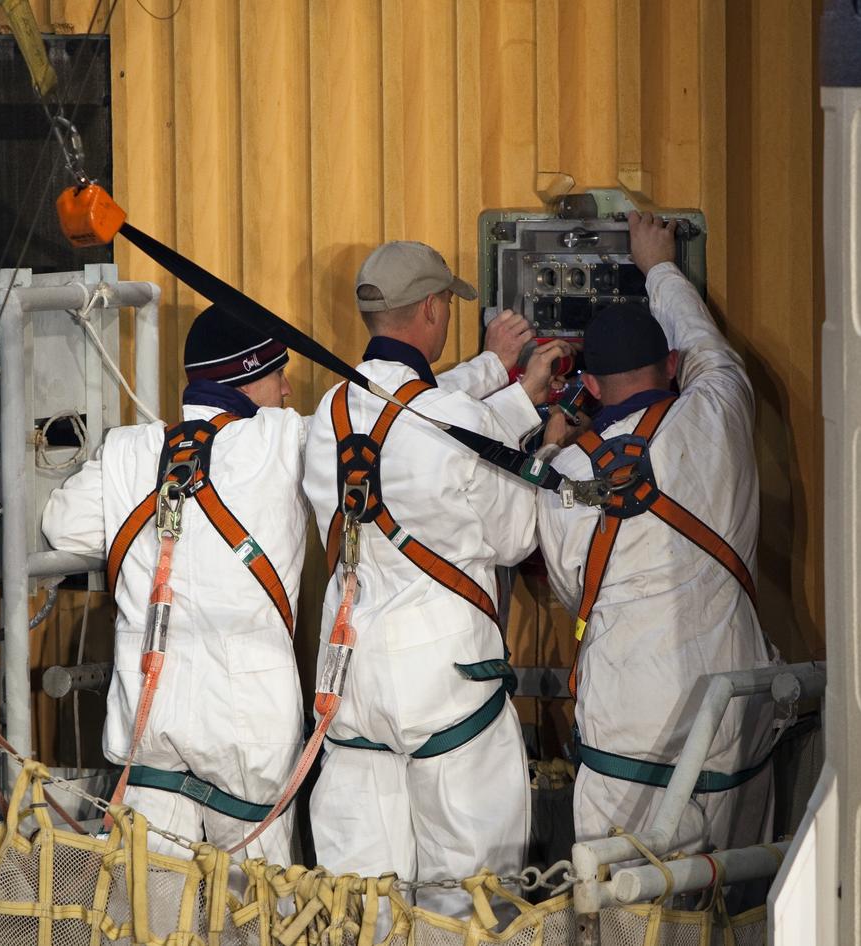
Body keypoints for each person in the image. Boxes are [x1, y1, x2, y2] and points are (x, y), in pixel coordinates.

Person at [301, 240, 572, 914]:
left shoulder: (328, 413)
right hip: (447, 688)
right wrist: (545, 447)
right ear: (430, 309)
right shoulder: (457, 418)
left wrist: (504, 386)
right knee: (466, 901)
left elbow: (408, 414)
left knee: (364, 902)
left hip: (353, 683)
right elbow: (515, 535)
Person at [536, 212, 779, 854]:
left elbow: (574, 590)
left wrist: (555, 446)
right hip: (730, 724)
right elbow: (703, 343)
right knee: (736, 896)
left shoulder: (566, 476)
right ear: (671, 365)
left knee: (622, 902)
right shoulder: (721, 408)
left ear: (589, 386)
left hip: (625, 734)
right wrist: (659, 266)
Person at [42, 306, 308, 865]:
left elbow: (63, 526)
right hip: (249, 724)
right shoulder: (284, 441)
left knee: (152, 897)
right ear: (245, 377)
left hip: (150, 714)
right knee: (258, 901)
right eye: (278, 373)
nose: (286, 390)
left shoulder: (127, 450)